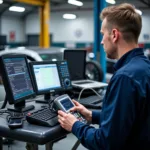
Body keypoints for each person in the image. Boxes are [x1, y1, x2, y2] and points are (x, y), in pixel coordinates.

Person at [58, 3, 150, 150]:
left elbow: (105, 143)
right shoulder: (144, 66)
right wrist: (91, 115)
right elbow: (126, 118)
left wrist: (75, 125)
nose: (101, 41)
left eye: (102, 34)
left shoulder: (125, 77)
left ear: (114, 35)